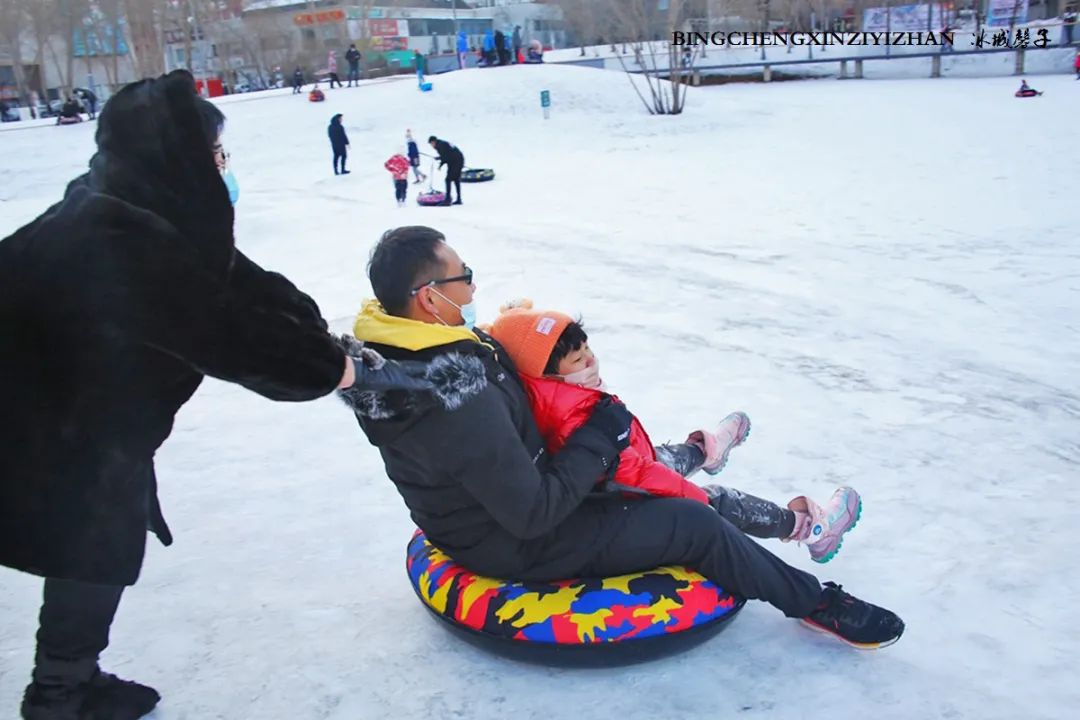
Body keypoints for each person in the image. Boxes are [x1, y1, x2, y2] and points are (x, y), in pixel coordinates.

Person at [0, 70, 428, 720]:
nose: (225, 167)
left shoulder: (129, 205)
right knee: (96, 538)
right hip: (42, 417)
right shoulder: (118, 243)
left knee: (98, 538)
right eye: (218, 155)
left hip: (66, 410)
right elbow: (228, 335)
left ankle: (66, 683)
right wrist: (344, 374)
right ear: (183, 160)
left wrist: (318, 333)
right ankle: (58, 698)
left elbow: (237, 283)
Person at [338, 226, 906, 651]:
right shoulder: (453, 400)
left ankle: (698, 454)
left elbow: (492, 374)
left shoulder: (412, 347)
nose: (473, 285)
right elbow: (532, 514)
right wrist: (596, 438)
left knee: (644, 466)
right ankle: (816, 602)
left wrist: (557, 376)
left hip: (508, 492)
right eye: (464, 277)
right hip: (510, 537)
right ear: (428, 297)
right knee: (694, 521)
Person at [486, 302, 860, 564]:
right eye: (578, 358)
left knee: (665, 458)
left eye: (588, 349)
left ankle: (705, 452)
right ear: (548, 375)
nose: (590, 359)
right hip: (620, 491)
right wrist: (696, 499)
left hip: (627, 463)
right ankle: (810, 530)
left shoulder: (560, 393)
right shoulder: (574, 417)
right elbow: (635, 474)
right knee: (720, 500)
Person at [428, 135, 464, 206]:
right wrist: (439, 158)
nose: (431, 146)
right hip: (458, 160)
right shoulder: (441, 144)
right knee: (456, 179)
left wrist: (440, 164)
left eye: (431, 144)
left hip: (455, 162)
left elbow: (446, 157)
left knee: (448, 180)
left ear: (434, 142)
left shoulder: (440, 146)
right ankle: (459, 199)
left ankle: (447, 200)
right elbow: (446, 155)